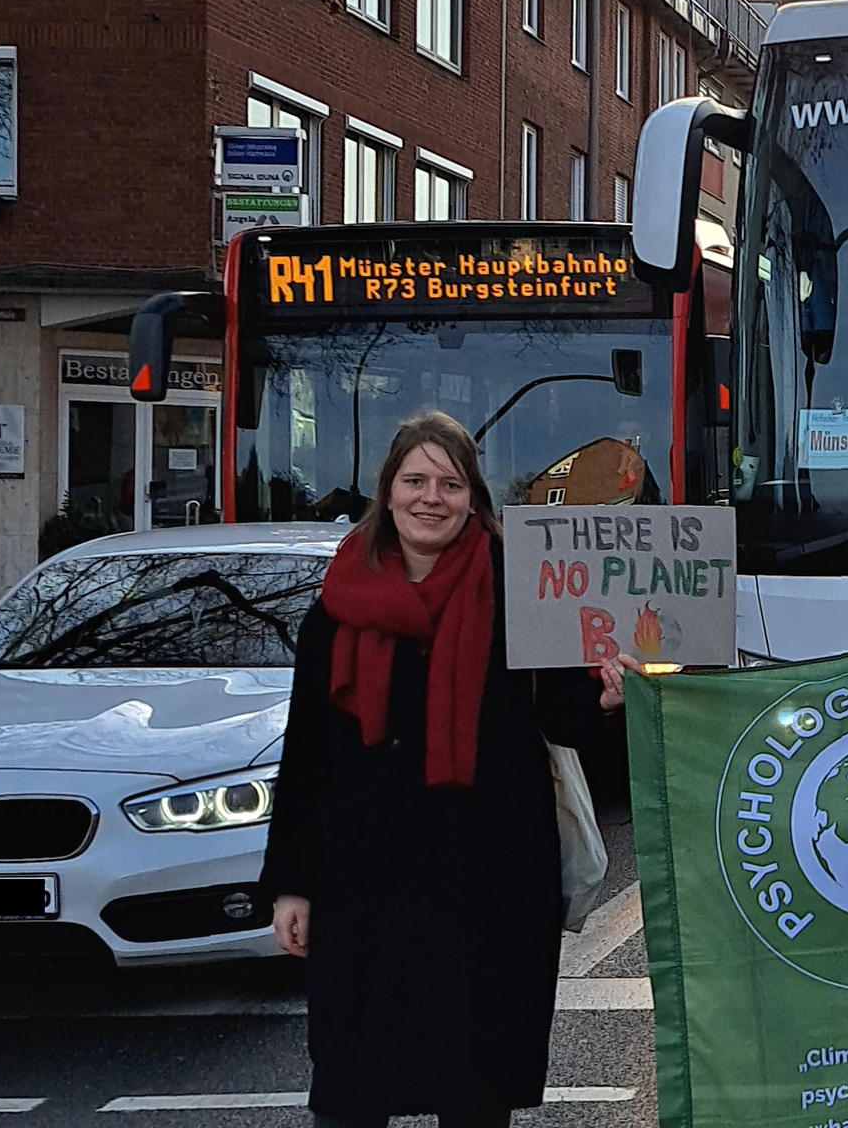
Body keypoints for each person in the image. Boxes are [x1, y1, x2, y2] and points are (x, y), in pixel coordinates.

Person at [260, 412, 627, 1128]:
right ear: (388, 492)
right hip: (364, 891)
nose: (432, 498)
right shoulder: (333, 613)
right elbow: (306, 756)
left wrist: (605, 697)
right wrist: (290, 887)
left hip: (487, 887)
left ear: (473, 498)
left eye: (450, 483)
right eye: (416, 480)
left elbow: (563, 716)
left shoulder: (524, 596)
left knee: (478, 1094)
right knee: (353, 1094)